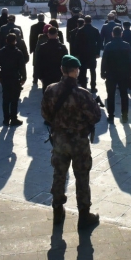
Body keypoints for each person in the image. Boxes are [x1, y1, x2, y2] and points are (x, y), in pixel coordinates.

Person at [41, 55, 102, 228]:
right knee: (82, 176)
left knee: (59, 175)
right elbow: (95, 117)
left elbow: (45, 114)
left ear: (62, 70)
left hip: (59, 140)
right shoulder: (83, 94)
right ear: (76, 71)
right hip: (79, 142)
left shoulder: (51, 90)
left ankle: (57, 210)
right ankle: (84, 215)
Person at [101, 26, 131, 124]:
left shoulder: (108, 45)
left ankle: (111, 116)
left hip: (111, 74)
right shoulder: (126, 45)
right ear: (121, 34)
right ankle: (124, 116)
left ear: (112, 34)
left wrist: (103, 72)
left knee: (110, 95)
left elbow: (104, 61)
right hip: (123, 74)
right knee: (124, 95)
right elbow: (130, 61)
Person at [0, 33, 27, 126]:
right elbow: (22, 66)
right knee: (14, 99)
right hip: (15, 77)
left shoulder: (1, 52)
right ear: (15, 41)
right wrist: (23, 77)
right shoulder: (18, 52)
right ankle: (13, 118)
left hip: (5, 77)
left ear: (6, 41)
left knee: (5, 99)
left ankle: (6, 119)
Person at [36, 26, 68, 93]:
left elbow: (38, 62)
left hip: (46, 74)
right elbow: (66, 61)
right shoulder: (62, 47)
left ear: (48, 34)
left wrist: (40, 75)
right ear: (57, 34)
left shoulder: (42, 47)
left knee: (47, 94)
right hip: (59, 74)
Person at [76, 15, 102, 91]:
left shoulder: (80, 30)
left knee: (83, 70)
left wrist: (77, 53)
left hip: (83, 53)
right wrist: (97, 53)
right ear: (91, 21)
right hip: (92, 53)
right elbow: (99, 42)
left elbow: (77, 43)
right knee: (92, 71)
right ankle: (93, 86)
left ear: (84, 21)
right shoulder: (95, 30)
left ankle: (84, 86)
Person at [29, 13, 46, 85]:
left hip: (36, 48)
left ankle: (35, 79)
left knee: (36, 64)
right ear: (44, 18)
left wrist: (31, 48)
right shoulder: (47, 26)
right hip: (45, 48)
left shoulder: (33, 27)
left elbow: (31, 38)